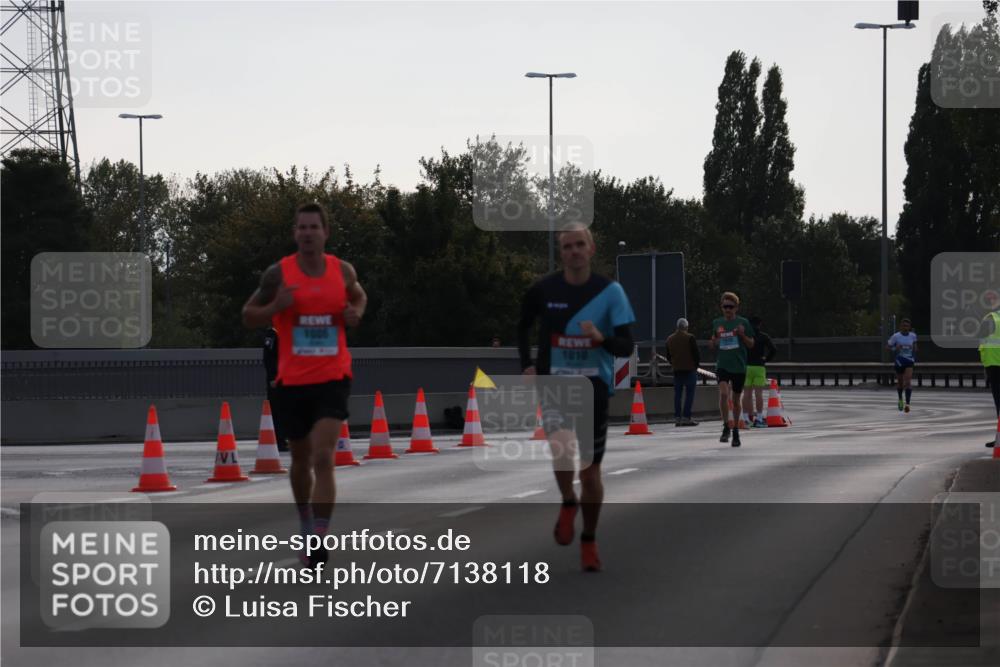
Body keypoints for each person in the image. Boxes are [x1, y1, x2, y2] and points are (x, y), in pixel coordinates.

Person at [242, 202, 367, 566]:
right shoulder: (277, 275)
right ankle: (306, 521)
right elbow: (248, 316)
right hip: (292, 379)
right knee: (300, 459)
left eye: (314, 227)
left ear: (325, 232)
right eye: (302, 227)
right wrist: (274, 307)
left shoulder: (341, 271)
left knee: (324, 456)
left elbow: (358, 294)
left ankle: (318, 537)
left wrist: (355, 312)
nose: (308, 233)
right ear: (295, 233)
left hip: (333, 376)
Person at [518, 223, 635, 572]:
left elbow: (627, 344)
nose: (573, 251)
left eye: (579, 245)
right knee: (561, 448)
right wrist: (526, 364)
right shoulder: (543, 289)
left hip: (594, 387)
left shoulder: (610, 292)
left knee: (590, 472)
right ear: (561, 251)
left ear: (591, 249)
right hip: (555, 384)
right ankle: (568, 502)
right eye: (567, 246)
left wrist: (602, 339)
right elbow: (522, 326)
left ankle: (589, 538)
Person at [708, 292, 755, 447]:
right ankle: (726, 426)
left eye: (730, 307)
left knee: (735, 400)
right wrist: (714, 342)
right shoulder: (717, 323)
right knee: (723, 393)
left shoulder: (743, 323)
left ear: (736, 308)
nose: (727, 310)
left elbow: (751, 344)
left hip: (739, 366)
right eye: (725, 307)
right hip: (722, 365)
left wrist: (742, 336)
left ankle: (735, 430)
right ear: (721, 307)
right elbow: (712, 343)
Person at [742, 315, 777, 428]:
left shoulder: (745, 337)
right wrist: (766, 359)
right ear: (760, 324)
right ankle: (759, 418)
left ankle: (746, 418)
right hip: (759, 367)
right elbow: (773, 349)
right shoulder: (763, 336)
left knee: (746, 394)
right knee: (758, 394)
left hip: (746, 366)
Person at [665, 317, 700, 426]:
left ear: (677, 327)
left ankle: (677, 417)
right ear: (686, 327)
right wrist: (696, 366)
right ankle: (686, 417)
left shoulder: (669, 339)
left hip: (677, 370)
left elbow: (668, 356)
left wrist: (674, 363)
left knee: (678, 395)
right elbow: (696, 354)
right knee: (689, 394)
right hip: (690, 370)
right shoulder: (690, 337)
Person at [262, 327, 289, 452]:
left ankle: (284, 438)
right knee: (277, 411)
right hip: (276, 380)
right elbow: (268, 357)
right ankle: (279, 441)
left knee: (285, 410)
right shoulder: (272, 333)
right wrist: (272, 377)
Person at [887, 319, 918, 413]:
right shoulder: (896, 336)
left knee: (908, 382)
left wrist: (914, 349)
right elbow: (887, 347)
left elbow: (916, 347)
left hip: (909, 360)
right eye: (904, 326)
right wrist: (895, 348)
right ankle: (900, 399)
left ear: (909, 327)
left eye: (907, 326)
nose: (905, 328)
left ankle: (907, 404)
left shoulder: (913, 336)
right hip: (899, 361)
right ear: (901, 327)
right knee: (900, 383)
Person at [980, 308, 1000, 447]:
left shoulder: (991, 318)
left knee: (999, 403)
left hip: (994, 366)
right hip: (993, 364)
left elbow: (983, 342)